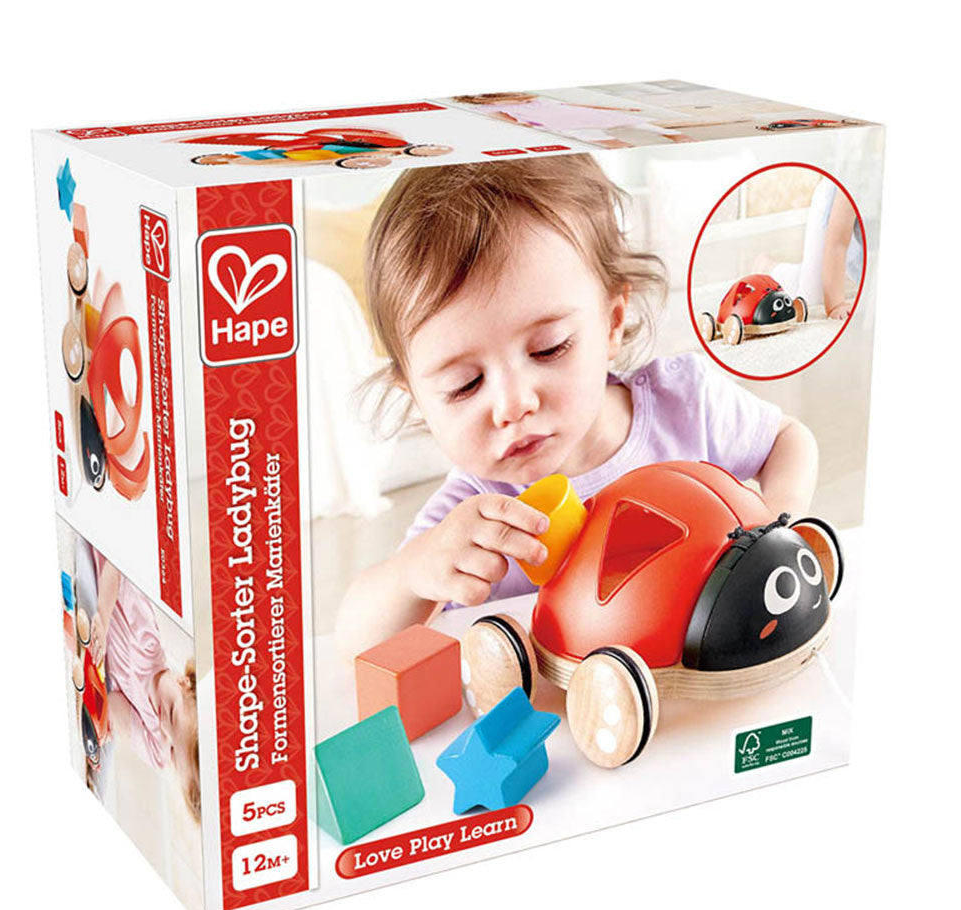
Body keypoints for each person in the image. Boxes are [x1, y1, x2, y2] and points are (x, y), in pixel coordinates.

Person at [335, 156, 818, 659]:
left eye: (549, 348)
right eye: (465, 385)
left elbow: (788, 440)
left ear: (612, 322)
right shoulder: (475, 516)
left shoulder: (685, 405)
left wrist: (779, 520)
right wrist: (413, 574)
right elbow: (356, 643)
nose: (514, 404)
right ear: (415, 395)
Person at [85, 546, 200, 822]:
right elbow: (116, 564)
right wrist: (103, 615)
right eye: (172, 714)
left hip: (93, 646)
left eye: (172, 753)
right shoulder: (147, 641)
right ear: (184, 683)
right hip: (101, 564)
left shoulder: (156, 749)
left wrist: (107, 723)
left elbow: (114, 703)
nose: (163, 728)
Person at [762, 178, 863, 321]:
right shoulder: (856, 178)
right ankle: (769, 268)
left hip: (863, 235)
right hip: (835, 213)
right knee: (812, 298)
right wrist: (836, 305)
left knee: (829, 274)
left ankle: (808, 270)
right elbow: (837, 244)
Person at [453, 92, 693, 146]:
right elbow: (504, 120)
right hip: (556, 124)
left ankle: (676, 137)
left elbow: (576, 106)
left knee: (631, 124)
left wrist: (623, 109)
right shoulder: (486, 110)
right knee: (601, 138)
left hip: (571, 116)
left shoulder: (535, 100)